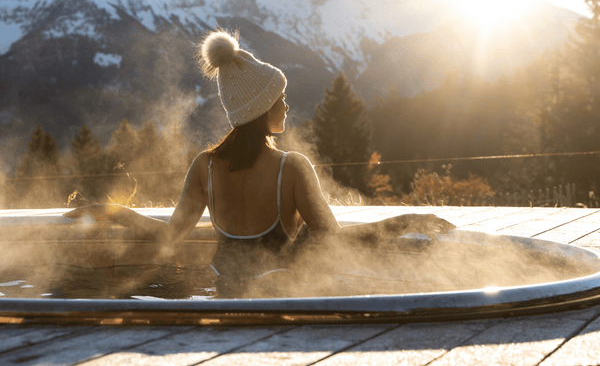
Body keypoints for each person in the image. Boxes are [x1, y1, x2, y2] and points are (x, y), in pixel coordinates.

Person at [65, 30, 454, 295]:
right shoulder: (293, 167)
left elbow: (168, 237)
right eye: (279, 98)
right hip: (278, 302)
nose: (286, 104)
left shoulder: (205, 166)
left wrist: (110, 211)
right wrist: (406, 221)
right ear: (260, 108)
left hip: (223, 299)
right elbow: (334, 240)